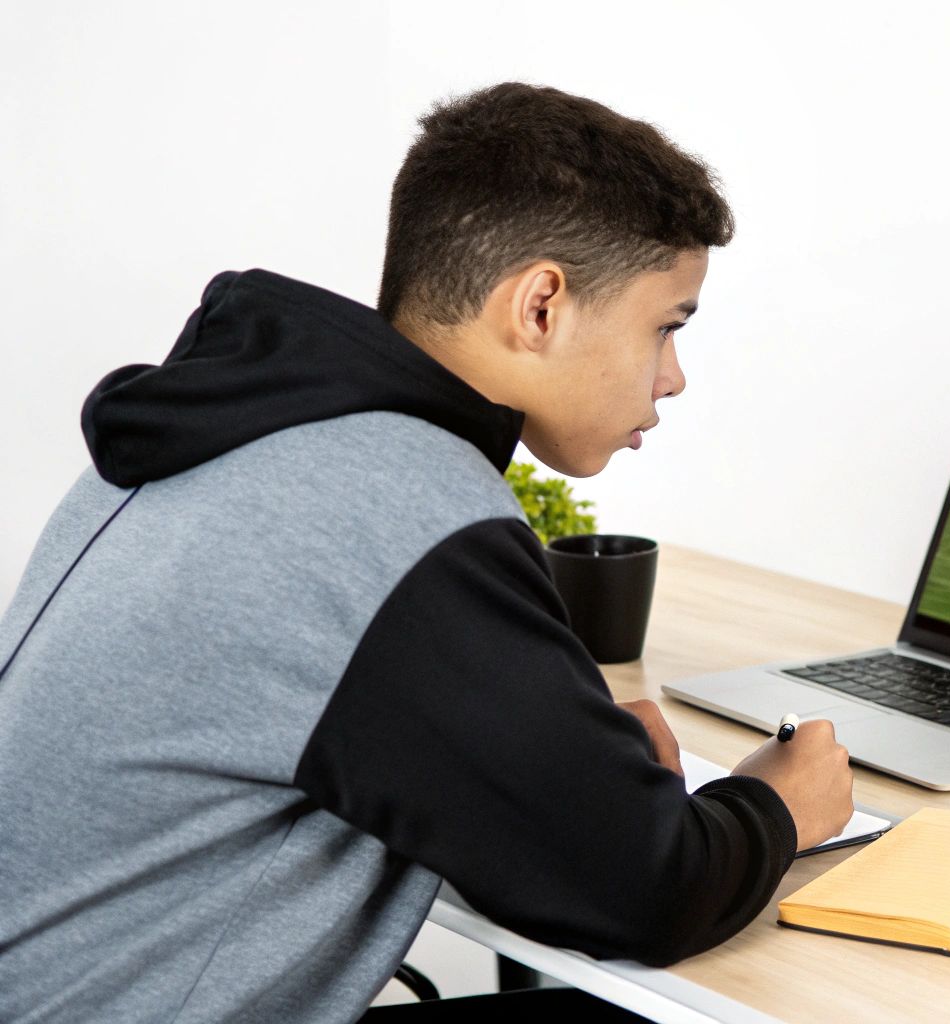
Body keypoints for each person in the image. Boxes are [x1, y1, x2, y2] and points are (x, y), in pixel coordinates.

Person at [0, 83, 854, 1023]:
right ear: (540, 306)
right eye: (667, 325)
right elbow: (646, 890)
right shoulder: (402, 504)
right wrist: (781, 806)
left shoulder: (225, 430)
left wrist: (587, 763)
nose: (673, 376)